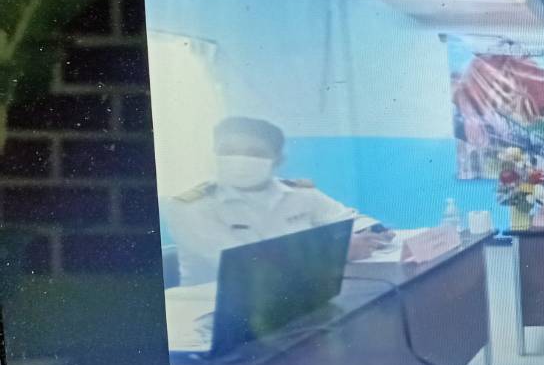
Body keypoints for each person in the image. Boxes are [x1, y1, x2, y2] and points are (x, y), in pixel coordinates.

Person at [163, 117, 392, 287]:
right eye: (228, 151)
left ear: (278, 159)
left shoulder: (299, 193)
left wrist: (372, 232)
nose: (240, 160)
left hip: (296, 300)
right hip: (209, 315)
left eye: (255, 153)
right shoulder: (190, 206)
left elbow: (348, 218)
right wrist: (335, 252)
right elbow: (245, 267)